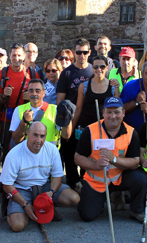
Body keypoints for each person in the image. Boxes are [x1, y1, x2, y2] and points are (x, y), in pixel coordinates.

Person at [74, 97, 147, 222]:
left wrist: (114, 159)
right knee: (87, 216)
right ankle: (97, 200)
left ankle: (136, 210)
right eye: (109, 112)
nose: (113, 116)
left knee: (140, 178)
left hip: (119, 177)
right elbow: (78, 158)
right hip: (97, 181)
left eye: (117, 112)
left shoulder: (131, 133)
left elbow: (135, 162)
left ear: (123, 113)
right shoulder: (90, 131)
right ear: (103, 113)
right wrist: (95, 164)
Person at [0, 122, 80, 232]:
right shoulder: (14, 154)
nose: (38, 140)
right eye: (35, 135)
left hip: (44, 187)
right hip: (22, 189)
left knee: (74, 198)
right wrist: (25, 204)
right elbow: (7, 185)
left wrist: (51, 193)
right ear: (27, 134)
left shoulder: (52, 150)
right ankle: (16, 209)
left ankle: (45, 207)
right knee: (17, 226)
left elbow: (57, 176)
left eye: (42, 136)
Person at [56, 38, 94, 192]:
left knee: (88, 153)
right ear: (74, 53)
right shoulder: (67, 73)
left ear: (89, 53)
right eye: (79, 52)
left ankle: (86, 183)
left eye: (85, 52)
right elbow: (60, 100)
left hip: (89, 119)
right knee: (70, 152)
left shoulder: (93, 70)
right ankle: (72, 182)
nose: (82, 55)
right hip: (71, 120)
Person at [0, 43, 40, 153]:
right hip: (7, 119)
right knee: (7, 150)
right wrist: (4, 96)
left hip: (26, 118)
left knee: (26, 149)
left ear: (24, 56)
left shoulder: (32, 74)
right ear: (10, 56)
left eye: (19, 55)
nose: (17, 58)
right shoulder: (2, 74)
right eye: (14, 55)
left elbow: (39, 97)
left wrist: (30, 98)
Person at [10, 79, 73, 148]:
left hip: (50, 155)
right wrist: (24, 122)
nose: (34, 94)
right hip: (28, 154)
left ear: (44, 93)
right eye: (31, 91)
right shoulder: (19, 110)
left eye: (37, 91)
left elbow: (66, 136)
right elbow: (16, 140)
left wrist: (67, 118)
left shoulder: (55, 110)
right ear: (27, 93)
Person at [74, 55, 119, 130]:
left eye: (102, 67)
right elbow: (78, 109)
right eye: (96, 67)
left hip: (106, 128)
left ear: (107, 68)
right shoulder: (84, 86)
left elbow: (117, 109)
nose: (99, 69)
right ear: (92, 68)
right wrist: (71, 129)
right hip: (86, 128)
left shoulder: (113, 87)